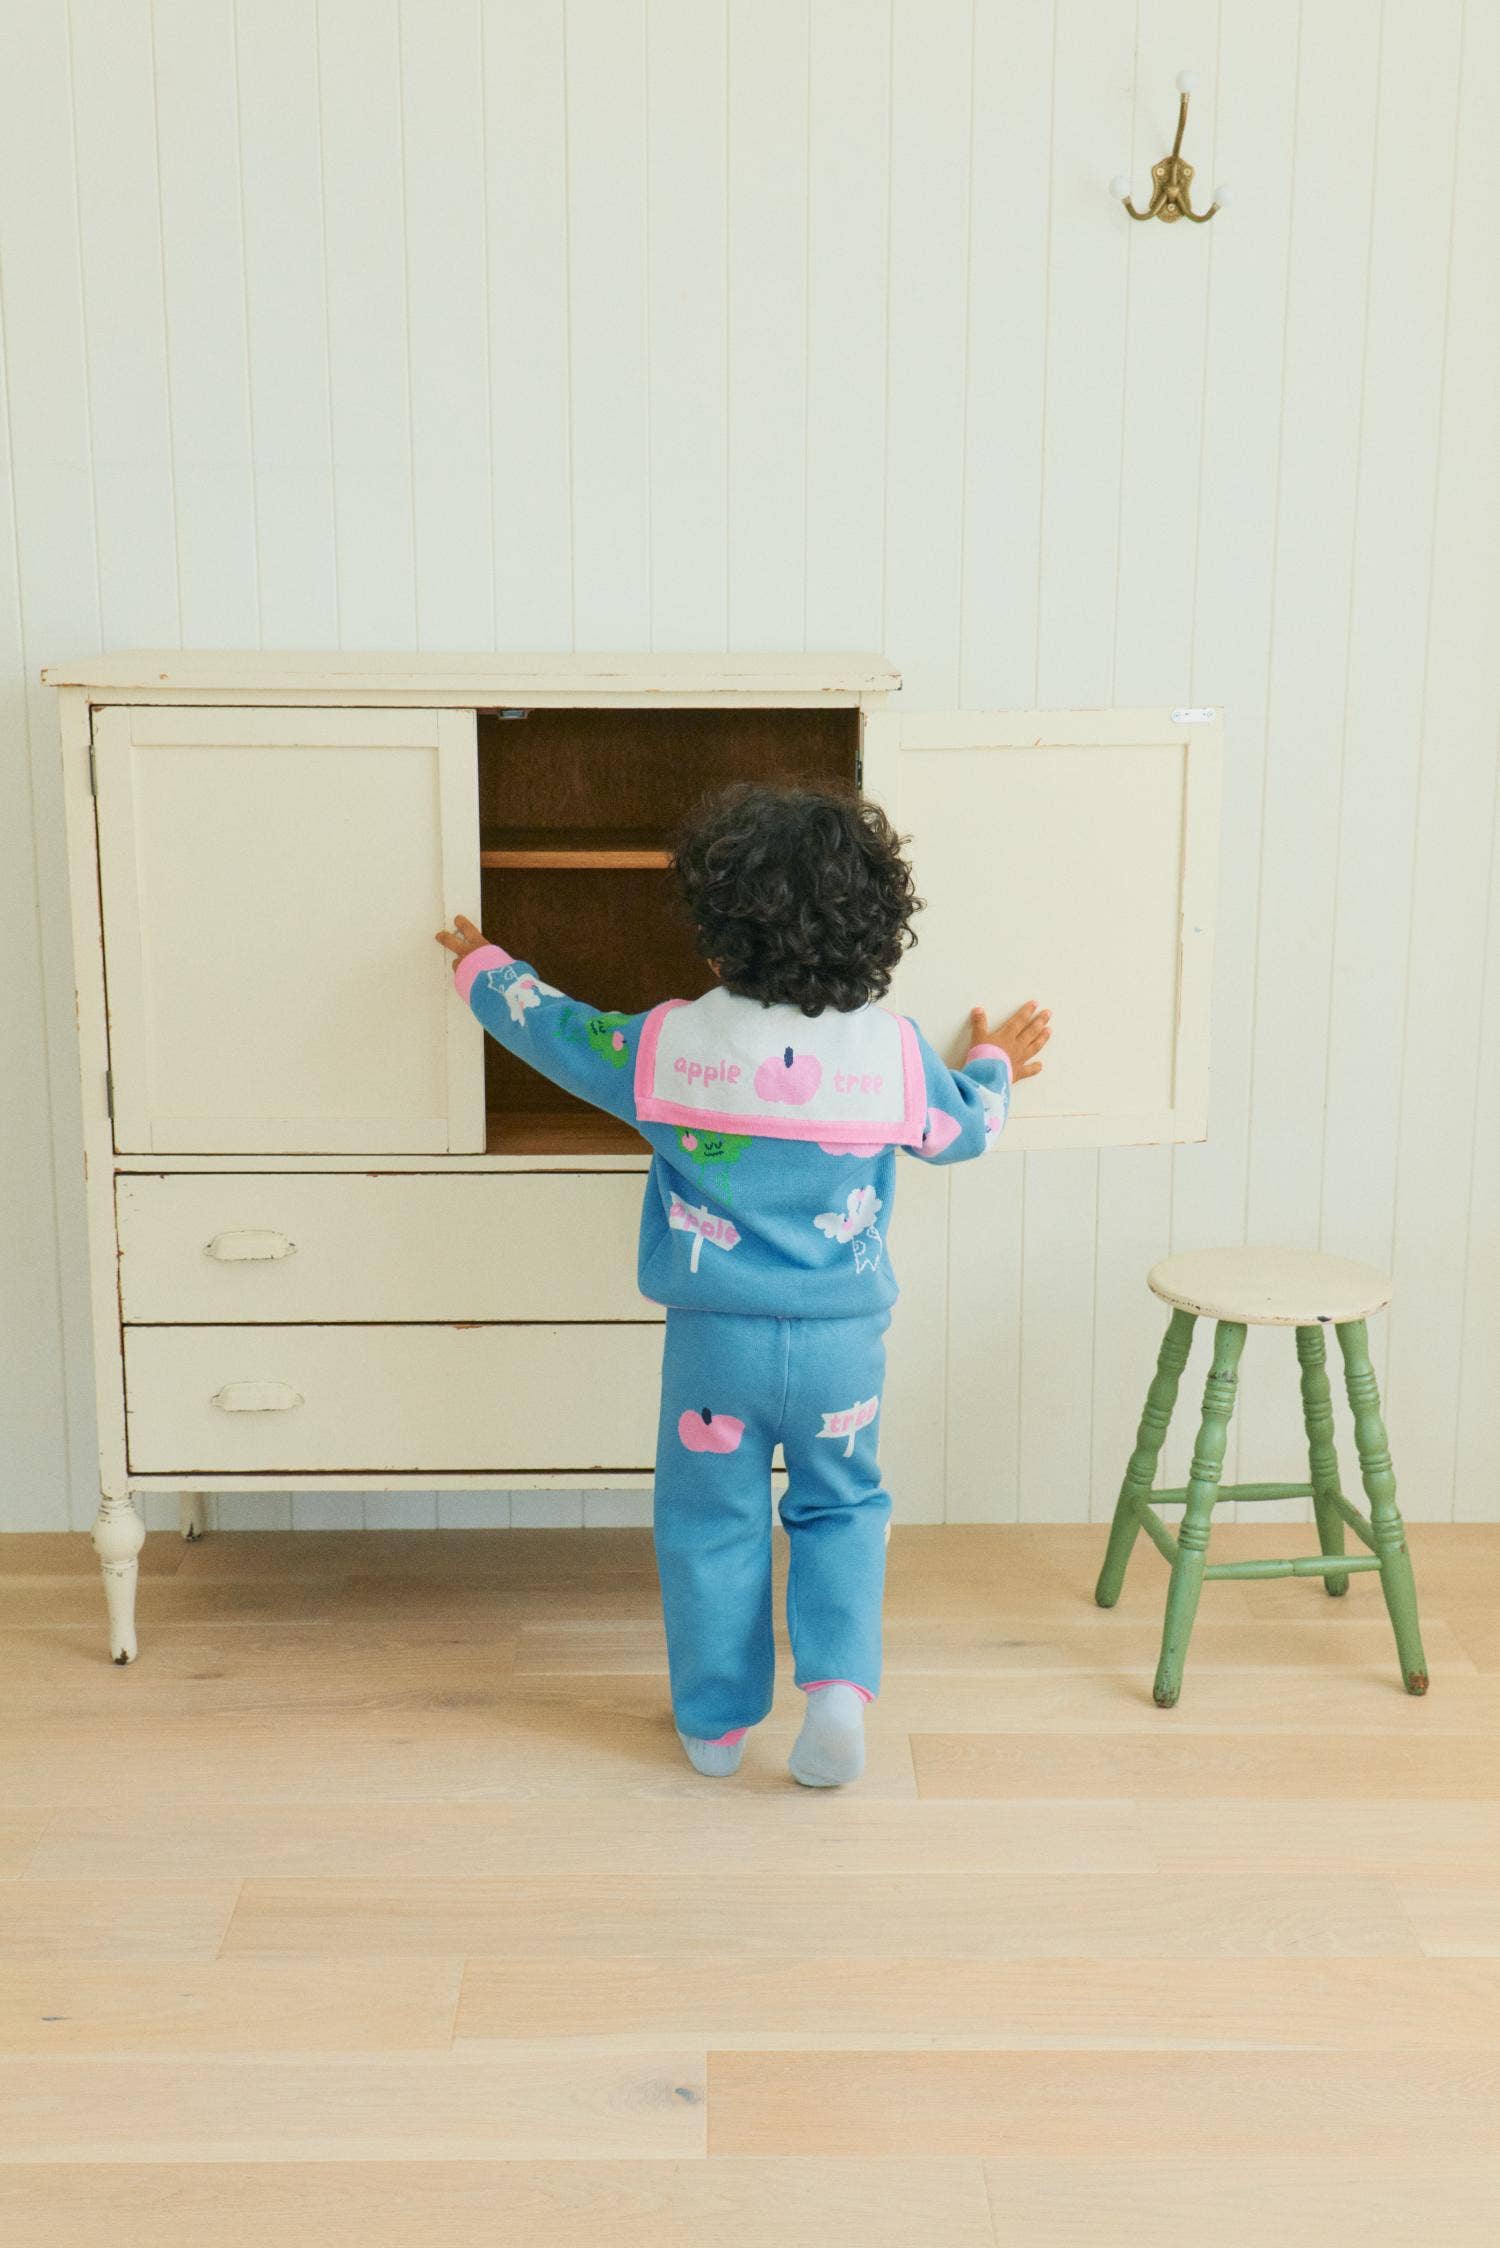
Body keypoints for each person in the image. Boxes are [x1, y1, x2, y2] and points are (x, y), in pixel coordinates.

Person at [436, 783, 1050, 1786]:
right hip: (843, 1349)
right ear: (877, 932)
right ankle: (839, 1692)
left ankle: (717, 1726)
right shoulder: (895, 1055)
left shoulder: (669, 1045)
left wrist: (482, 969)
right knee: (842, 1506)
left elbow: (557, 1031)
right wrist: (991, 1061)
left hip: (714, 1346)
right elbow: (968, 1129)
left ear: (717, 937)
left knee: (710, 1521)